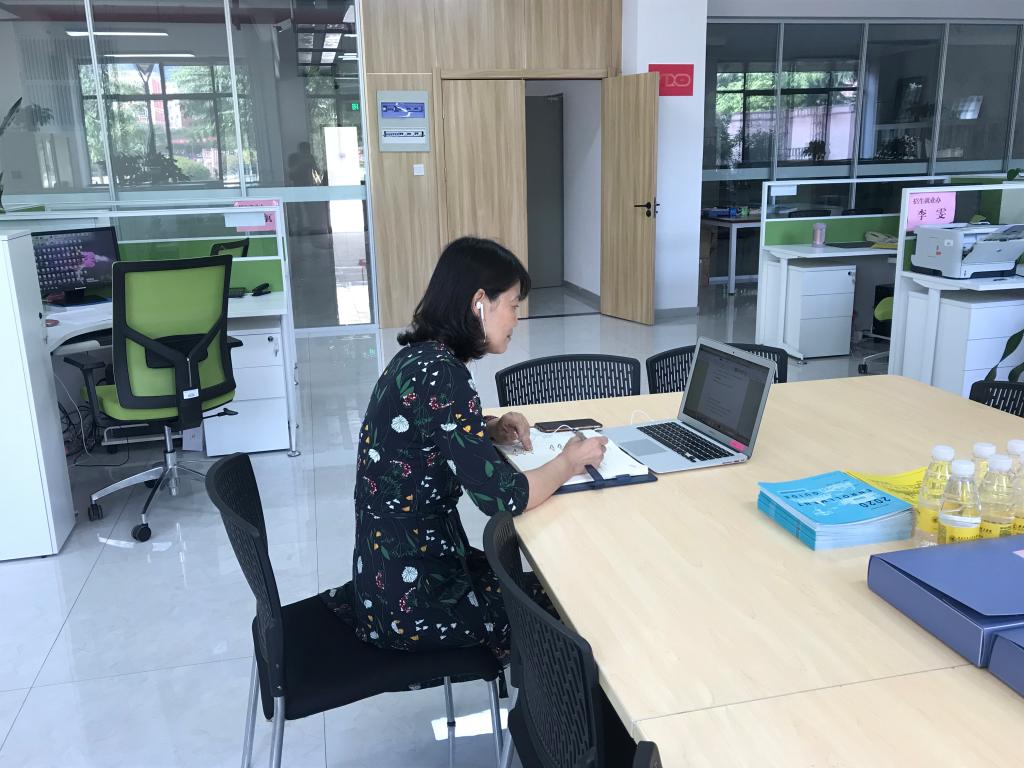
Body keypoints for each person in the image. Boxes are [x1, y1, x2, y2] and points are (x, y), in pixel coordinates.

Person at [322, 237, 607, 661]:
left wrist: (487, 429)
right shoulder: (444, 374)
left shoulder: (421, 358)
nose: (517, 319)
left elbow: (424, 434)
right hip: (414, 597)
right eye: (513, 305)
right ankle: (557, 700)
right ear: (479, 303)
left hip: (390, 574)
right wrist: (569, 461)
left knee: (553, 590)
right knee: (569, 609)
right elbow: (502, 498)